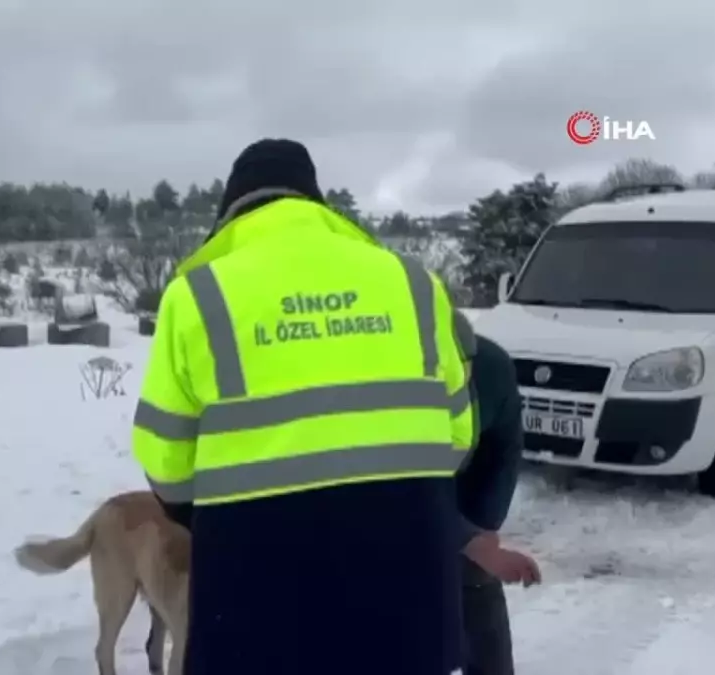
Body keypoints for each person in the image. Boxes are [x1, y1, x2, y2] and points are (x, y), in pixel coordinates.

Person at [131, 138, 477, 675]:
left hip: (258, 596)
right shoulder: (413, 282)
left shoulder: (197, 294)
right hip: (407, 587)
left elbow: (166, 464)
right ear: (317, 203)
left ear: (231, 212)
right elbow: (458, 435)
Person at [450, 310, 542, 675]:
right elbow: (401, 489)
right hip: (365, 510)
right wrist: (468, 539)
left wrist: (483, 530)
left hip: (449, 487)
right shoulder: (386, 385)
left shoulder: (490, 369)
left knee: (475, 580)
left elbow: (503, 451)